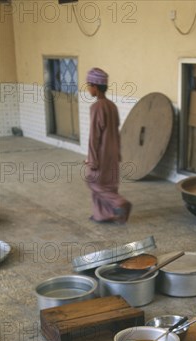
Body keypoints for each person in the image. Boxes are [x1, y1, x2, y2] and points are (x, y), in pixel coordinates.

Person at [85, 67, 132, 224]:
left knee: (93, 181)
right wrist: (117, 152)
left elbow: (94, 136)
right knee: (109, 183)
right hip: (112, 151)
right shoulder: (112, 106)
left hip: (101, 153)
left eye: (89, 85)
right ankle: (103, 215)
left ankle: (120, 202)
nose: (88, 88)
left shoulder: (97, 107)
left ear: (95, 87)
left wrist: (92, 160)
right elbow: (116, 131)